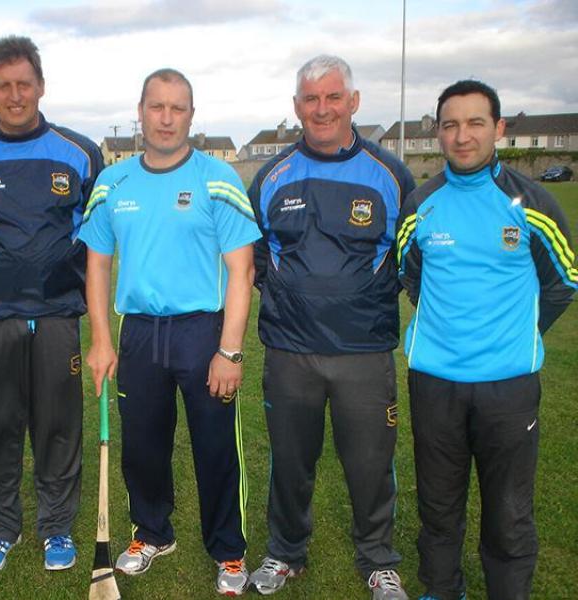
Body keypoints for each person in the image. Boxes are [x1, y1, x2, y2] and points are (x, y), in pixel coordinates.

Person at [79, 68, 261, 596]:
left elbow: (241, 271)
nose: (165, 117)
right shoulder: (113, 183)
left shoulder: (217, 178)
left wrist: (230, 350)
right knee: (142, 446)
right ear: (140, 111)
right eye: (156, 106)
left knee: (215, 447)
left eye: (177, 108)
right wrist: (100, 339)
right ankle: (152, 532)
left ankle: (229, 549)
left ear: (191, 116)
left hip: (202, 331)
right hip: (138, 332)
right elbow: (96, 266)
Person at [396, 80, 576, 600]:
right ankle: (441, 588)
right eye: (450, 124)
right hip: (434, 382)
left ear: (498, 129)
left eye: (476, 123)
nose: (462, 135)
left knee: (508, 508)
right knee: (438, 500)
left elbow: (562, 281)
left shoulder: (532, 202)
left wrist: (517, 336)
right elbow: (410, 275)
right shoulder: (420, 204)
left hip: (509, 387)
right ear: (437, 133)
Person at [247, 55, 416, 598]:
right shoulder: (271, 177)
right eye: (311, 99)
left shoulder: (392, 174)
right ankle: (284, 551)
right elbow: (255, 260)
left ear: (354, 101)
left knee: (371, 464)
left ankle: (378, 559)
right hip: (290, 352)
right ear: (297, 106)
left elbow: (408, 259)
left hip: (364, 353)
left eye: (333, 97)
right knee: (290, 462)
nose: (322, 109)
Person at [0, 35, 103, 574]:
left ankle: (56, 529)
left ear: (41, 86)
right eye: (3, 86)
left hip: (57, 315)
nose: (15, 95)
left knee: (58, 424)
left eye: (24, 84)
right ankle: (0, 530)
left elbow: (96, 237)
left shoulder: (80, 154)